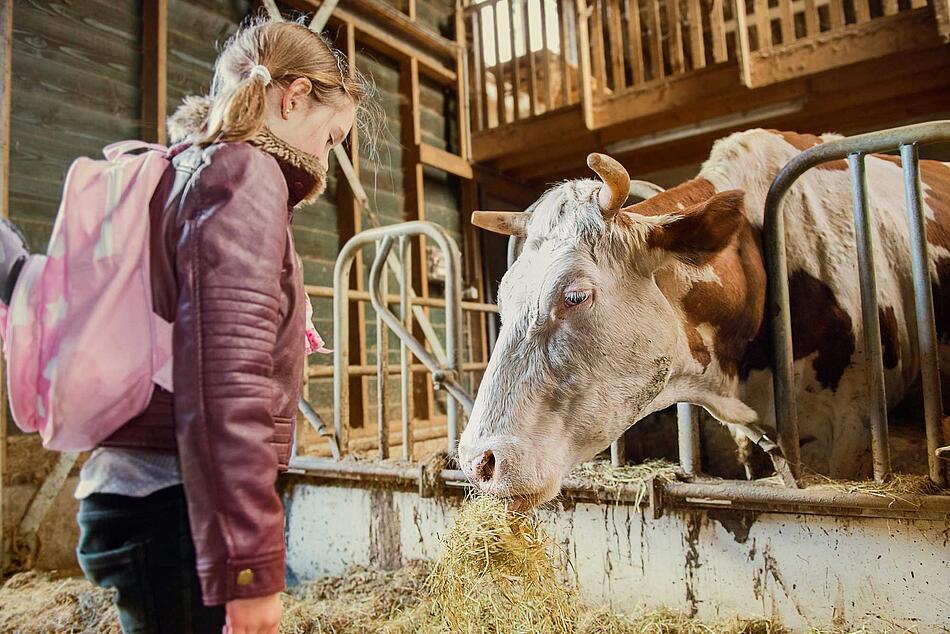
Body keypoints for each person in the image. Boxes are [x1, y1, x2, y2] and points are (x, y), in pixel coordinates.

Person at [70, 17, 367, 634]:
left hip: (147, 498)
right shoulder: (244, 175)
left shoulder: (188, 169)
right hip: (175, 510)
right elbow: (227, 381)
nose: (327, 156)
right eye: (333, 136)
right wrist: (248, 569)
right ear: (294, 97)